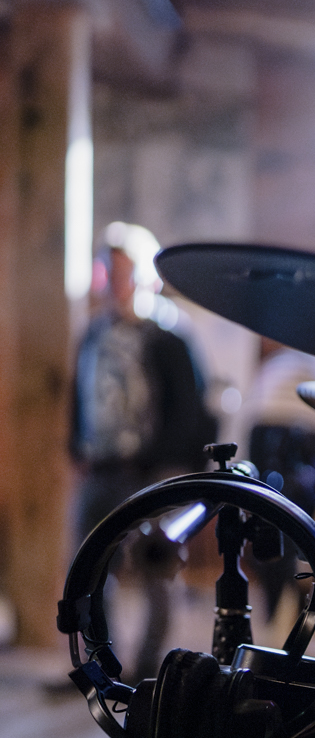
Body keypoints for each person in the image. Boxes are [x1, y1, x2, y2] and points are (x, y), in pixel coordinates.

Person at [70, 223, 215, 676]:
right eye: (108, 271)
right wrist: (76, 447)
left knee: (156, 570)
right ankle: (101, 663)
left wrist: (161, 463)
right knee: (90, 572)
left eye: (123, 271)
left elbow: (190, 410)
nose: (115, 282)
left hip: (150, 472)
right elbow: (80, 396)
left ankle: (150, 669)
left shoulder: (168, 336)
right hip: (101, 467)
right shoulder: (94, 333)